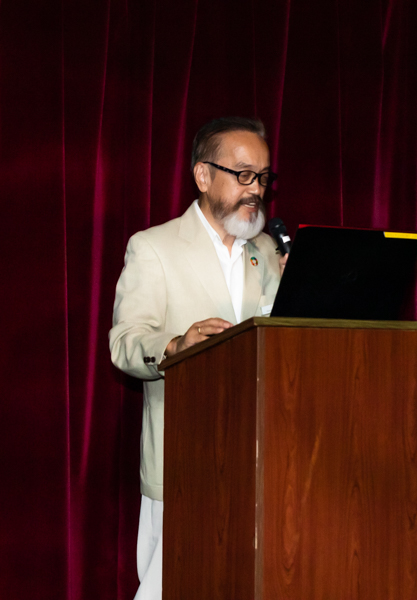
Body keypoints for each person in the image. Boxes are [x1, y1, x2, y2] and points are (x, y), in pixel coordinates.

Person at [109, 116, 286, 600]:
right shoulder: (154, 248)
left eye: (264, 177)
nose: (256, 189)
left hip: (264, 461)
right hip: (184, 461)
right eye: (243, 174)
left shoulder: (269, 252)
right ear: (203, 175)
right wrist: (176, 347)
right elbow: (125, 341)